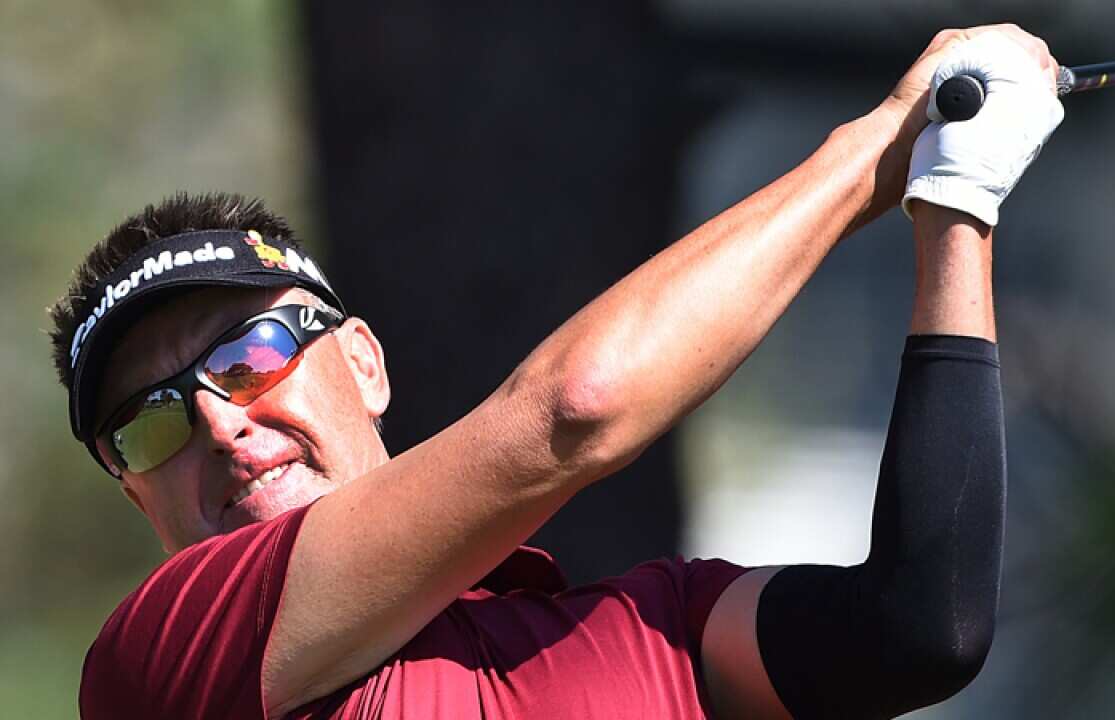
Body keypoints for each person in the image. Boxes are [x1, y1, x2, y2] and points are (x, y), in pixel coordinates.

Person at [51, 24, 1063, 720]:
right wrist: (878, 147)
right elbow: (577, 411)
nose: (222, 425)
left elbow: (922, 627)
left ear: (361, 363)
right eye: (152, 424)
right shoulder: (158, 666)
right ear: (137, 496)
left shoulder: (646, 629)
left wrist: (955, 201)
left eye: (251, 355)